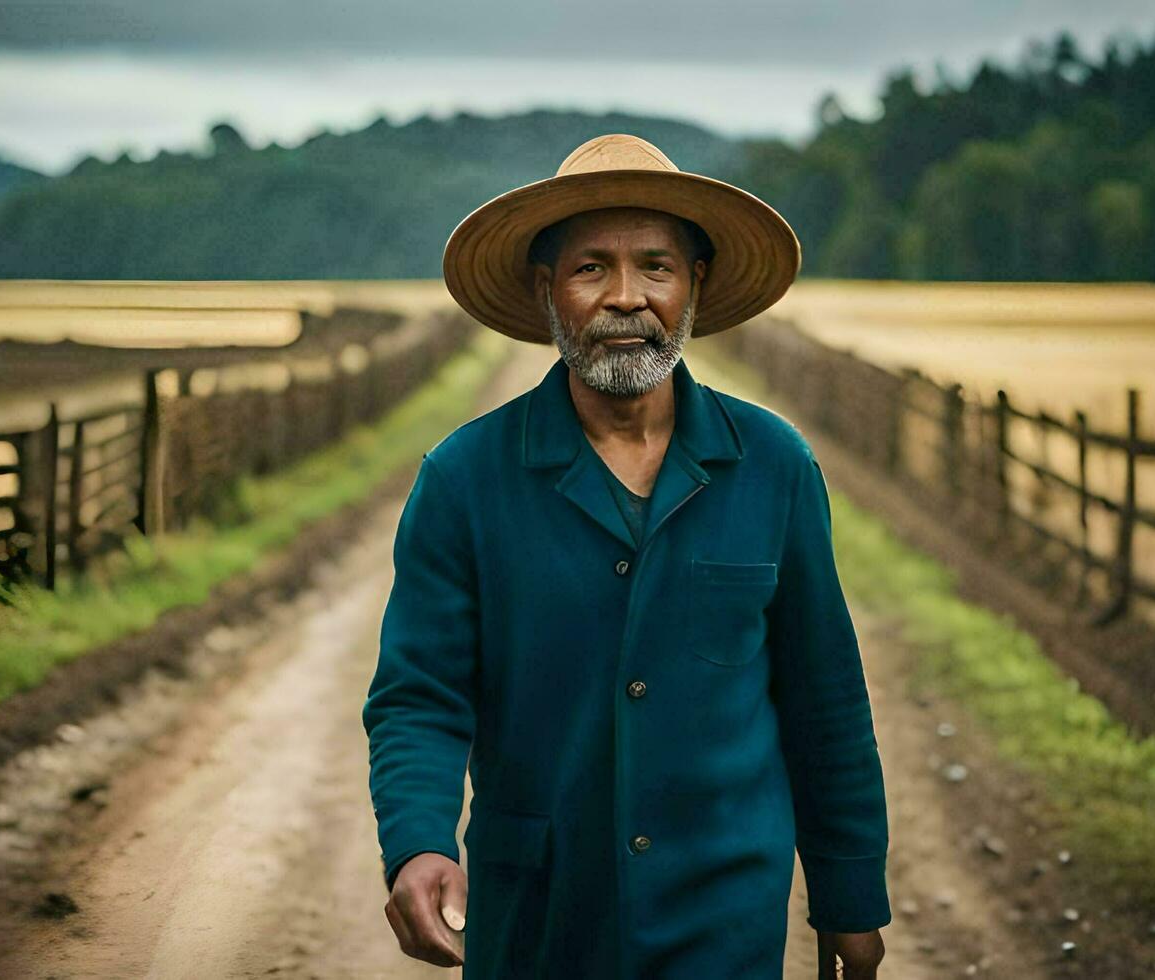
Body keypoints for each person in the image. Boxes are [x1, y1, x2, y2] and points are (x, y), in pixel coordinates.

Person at [361, 133, 890, 979]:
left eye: (655, 266)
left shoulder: (775, 466)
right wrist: (417, 842)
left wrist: (851, 897)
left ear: (693, 287)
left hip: (724, 918)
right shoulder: (464, 480)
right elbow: (421, 697)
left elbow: (825, 701)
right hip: (539, 920)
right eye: (589, 270)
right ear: (546, 291)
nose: (625, 297)